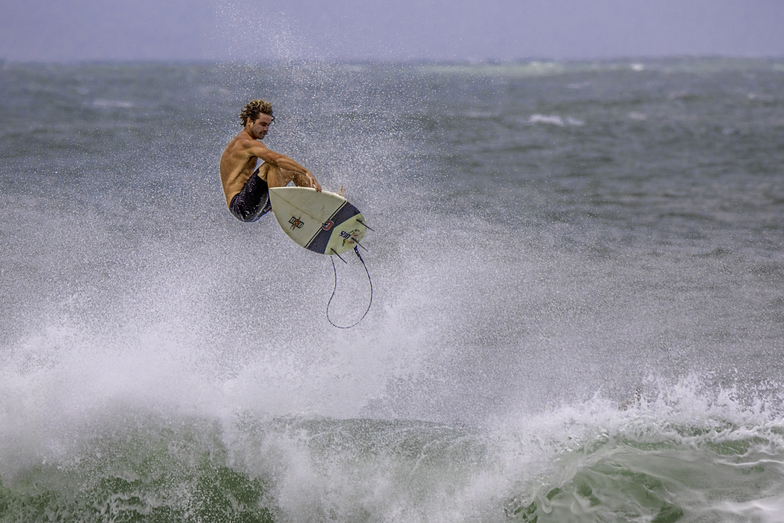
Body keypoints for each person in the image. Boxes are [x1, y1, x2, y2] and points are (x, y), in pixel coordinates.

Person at [220, 99, 321, 222]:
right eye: (263, 124)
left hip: (252, 203)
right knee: (271, 164)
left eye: (268, 125)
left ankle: (317, 205)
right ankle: (282, 207)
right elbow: (276, 159)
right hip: (240, 206)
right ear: (250, 121)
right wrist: (306, 172)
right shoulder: (245, 143)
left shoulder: (249, 143)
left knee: (293, 170)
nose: (266, 129)